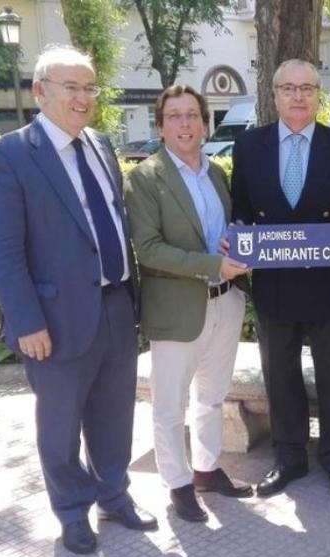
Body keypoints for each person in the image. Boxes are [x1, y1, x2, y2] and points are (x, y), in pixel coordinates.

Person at [0, 45, 156, 555]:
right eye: (71, 87)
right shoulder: (10, 156)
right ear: (41, 91)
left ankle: (114, 495)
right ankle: (73, 512)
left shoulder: (100, 144)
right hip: (54, 320)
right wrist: (27, 321)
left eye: (90, 87)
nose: (84, 98)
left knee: (115, 414)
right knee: (60, 427)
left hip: (116, 305)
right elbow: (4, 252)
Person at [230, 59, 330, 503]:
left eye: (307, 88)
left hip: (328, 282)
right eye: (288, 88)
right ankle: (289, 456)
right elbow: (241, 210)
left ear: (318, 95)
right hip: (274, 283)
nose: (297, 96)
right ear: (274, 95)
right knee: (280, 373)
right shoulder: (248, 146)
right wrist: (237, 238)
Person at [124, 85, 253, 523]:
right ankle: (177, 484)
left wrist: (234, 243)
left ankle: (206, 470)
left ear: (205, 123)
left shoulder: (216, 174)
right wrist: (214, 263)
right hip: (177, 309)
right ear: (160, 126)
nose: (185, 124)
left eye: (193, 115)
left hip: (226, 302)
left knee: (212, 396)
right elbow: (148, 249)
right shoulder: (144, 178)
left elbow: (222, 232)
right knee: (170, 405)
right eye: (175, 116)